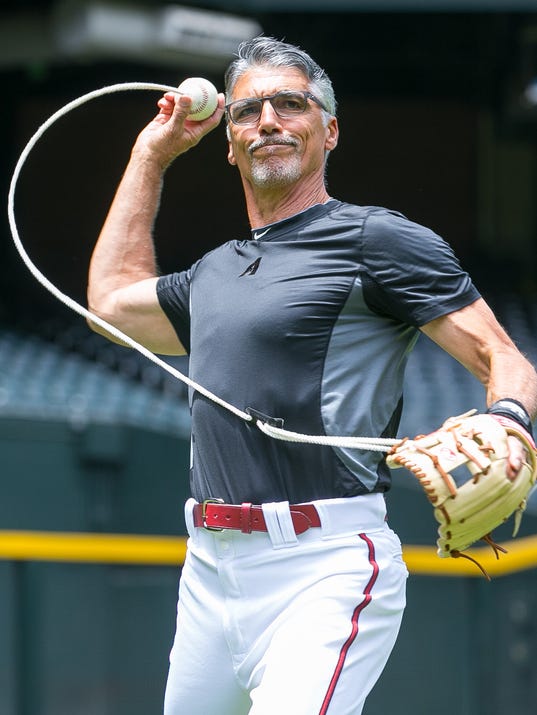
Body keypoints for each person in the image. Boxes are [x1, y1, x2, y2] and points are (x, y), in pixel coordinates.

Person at [87, 36, 537, 715]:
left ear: (328, 130)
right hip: (208, 567)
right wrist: (151, 152)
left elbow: (502, 356)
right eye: (247, 112)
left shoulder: (376, 239)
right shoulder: (212, 270)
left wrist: (507, 418)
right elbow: (110, 304)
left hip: (321, 563)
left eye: (290, 104)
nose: (267, 120)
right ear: (230, 142)